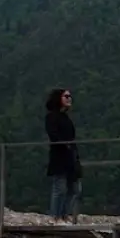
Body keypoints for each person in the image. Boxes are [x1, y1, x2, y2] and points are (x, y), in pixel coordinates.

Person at [44, 87, 81, 221]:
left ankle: (64, 214)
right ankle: (55, 216)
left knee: (75, 189)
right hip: (60, 156)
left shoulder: (65, 118)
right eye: (66, 96)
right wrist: (65, 145)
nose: (69, 98)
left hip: (70, 157)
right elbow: (53, 134)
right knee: (60, 188)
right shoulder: (51, 117)